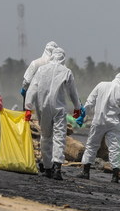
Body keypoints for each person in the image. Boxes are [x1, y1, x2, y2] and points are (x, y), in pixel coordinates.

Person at [25, 47, 82, 180]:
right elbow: (72, 92)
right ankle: (57, 167)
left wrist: (28, 107)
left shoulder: (41, 69)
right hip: (59, 109)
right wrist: (77, 106)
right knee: (59, 137)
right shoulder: (66, 71)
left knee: (45, 136)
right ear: (63, 58)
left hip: (43, 108)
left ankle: (47, 167)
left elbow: (33, 88)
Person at [77, 73, 120, 183]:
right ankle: (115, 176)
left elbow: (90, 101)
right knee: (114, 148)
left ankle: (85, 172)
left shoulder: (101, 85)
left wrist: (83, 115)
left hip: (98, 121)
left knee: (92, 145)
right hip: (113, 123)